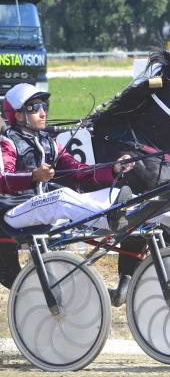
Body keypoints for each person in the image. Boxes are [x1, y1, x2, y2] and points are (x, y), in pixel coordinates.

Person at [0, 83, 134, 289]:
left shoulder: (49, 142)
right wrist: (34, 176)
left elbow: (79, 172)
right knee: (62, 196)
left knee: (112, 193)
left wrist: (115, 168)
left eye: (44, 106)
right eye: (35, 108)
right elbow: (3, 179)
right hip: (13, 212)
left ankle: (142, 215)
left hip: (40, 209)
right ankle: (112, 218)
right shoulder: (6, 142)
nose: (43, 112)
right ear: (18, 115)